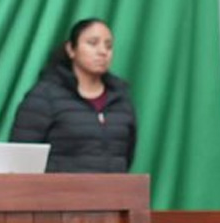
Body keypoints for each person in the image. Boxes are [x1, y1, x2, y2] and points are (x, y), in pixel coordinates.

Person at [9, 18, 137, 173]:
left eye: (108, 46)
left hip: (114, 194)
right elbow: (22, 161)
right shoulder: (45, 96)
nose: (103, 51)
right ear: (71, 49)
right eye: (92, 43)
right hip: (57, 195)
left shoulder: (121, 98)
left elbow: (126, 155)